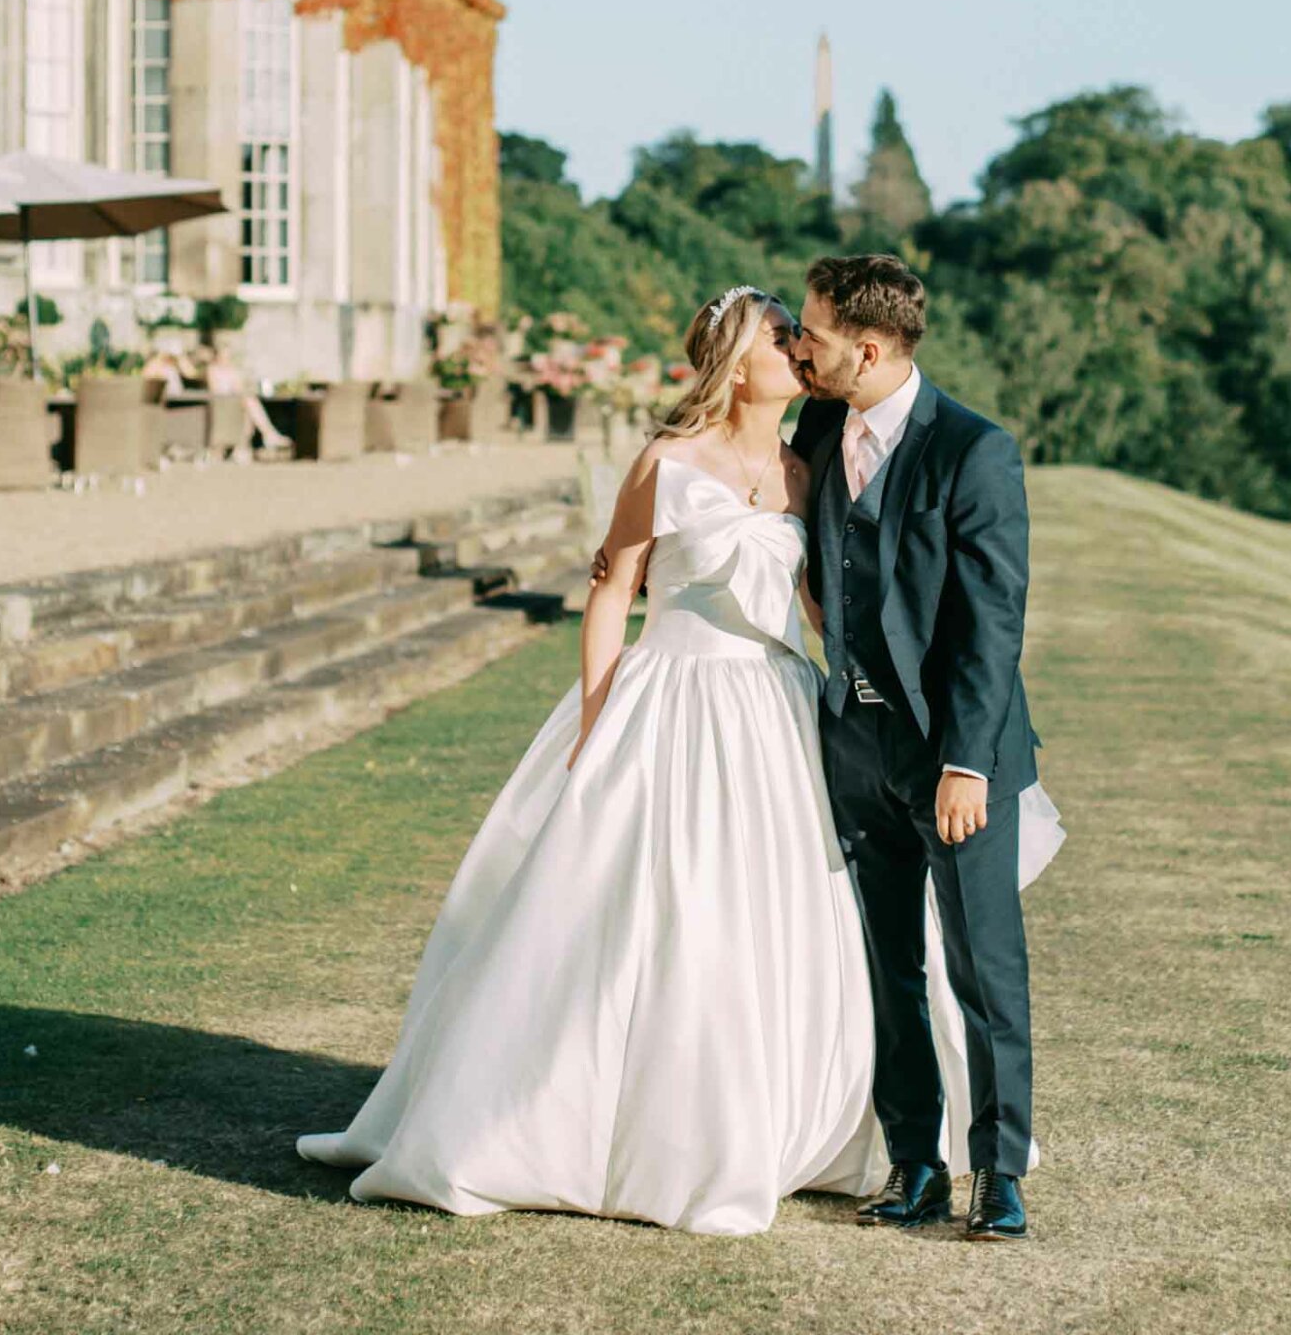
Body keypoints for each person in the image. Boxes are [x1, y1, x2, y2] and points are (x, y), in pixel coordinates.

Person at [296, 283, 1060, 1237]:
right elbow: (615, 582)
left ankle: (954, 1163)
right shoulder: (695, 458)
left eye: (806, 337)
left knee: (879, 942)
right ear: (738, 363)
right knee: (693, 919)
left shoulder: (828, 459)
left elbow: (873, 609)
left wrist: (944, 742)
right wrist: (596, 713)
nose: (799, 352)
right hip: (686, 702)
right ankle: (640, 1120)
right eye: (783, 340)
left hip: (799, 719)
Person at [790, 254, 1046, 1242]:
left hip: (954, 758)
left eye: (811, 331)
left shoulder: (974, 449)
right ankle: (914, 1163)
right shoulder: (816, 423)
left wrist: (968, 762)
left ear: (868, 345)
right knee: (887, 963)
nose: (798, 346)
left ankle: (1001, 1172)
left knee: (983, 965)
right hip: (851, 741)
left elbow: (993, 623)